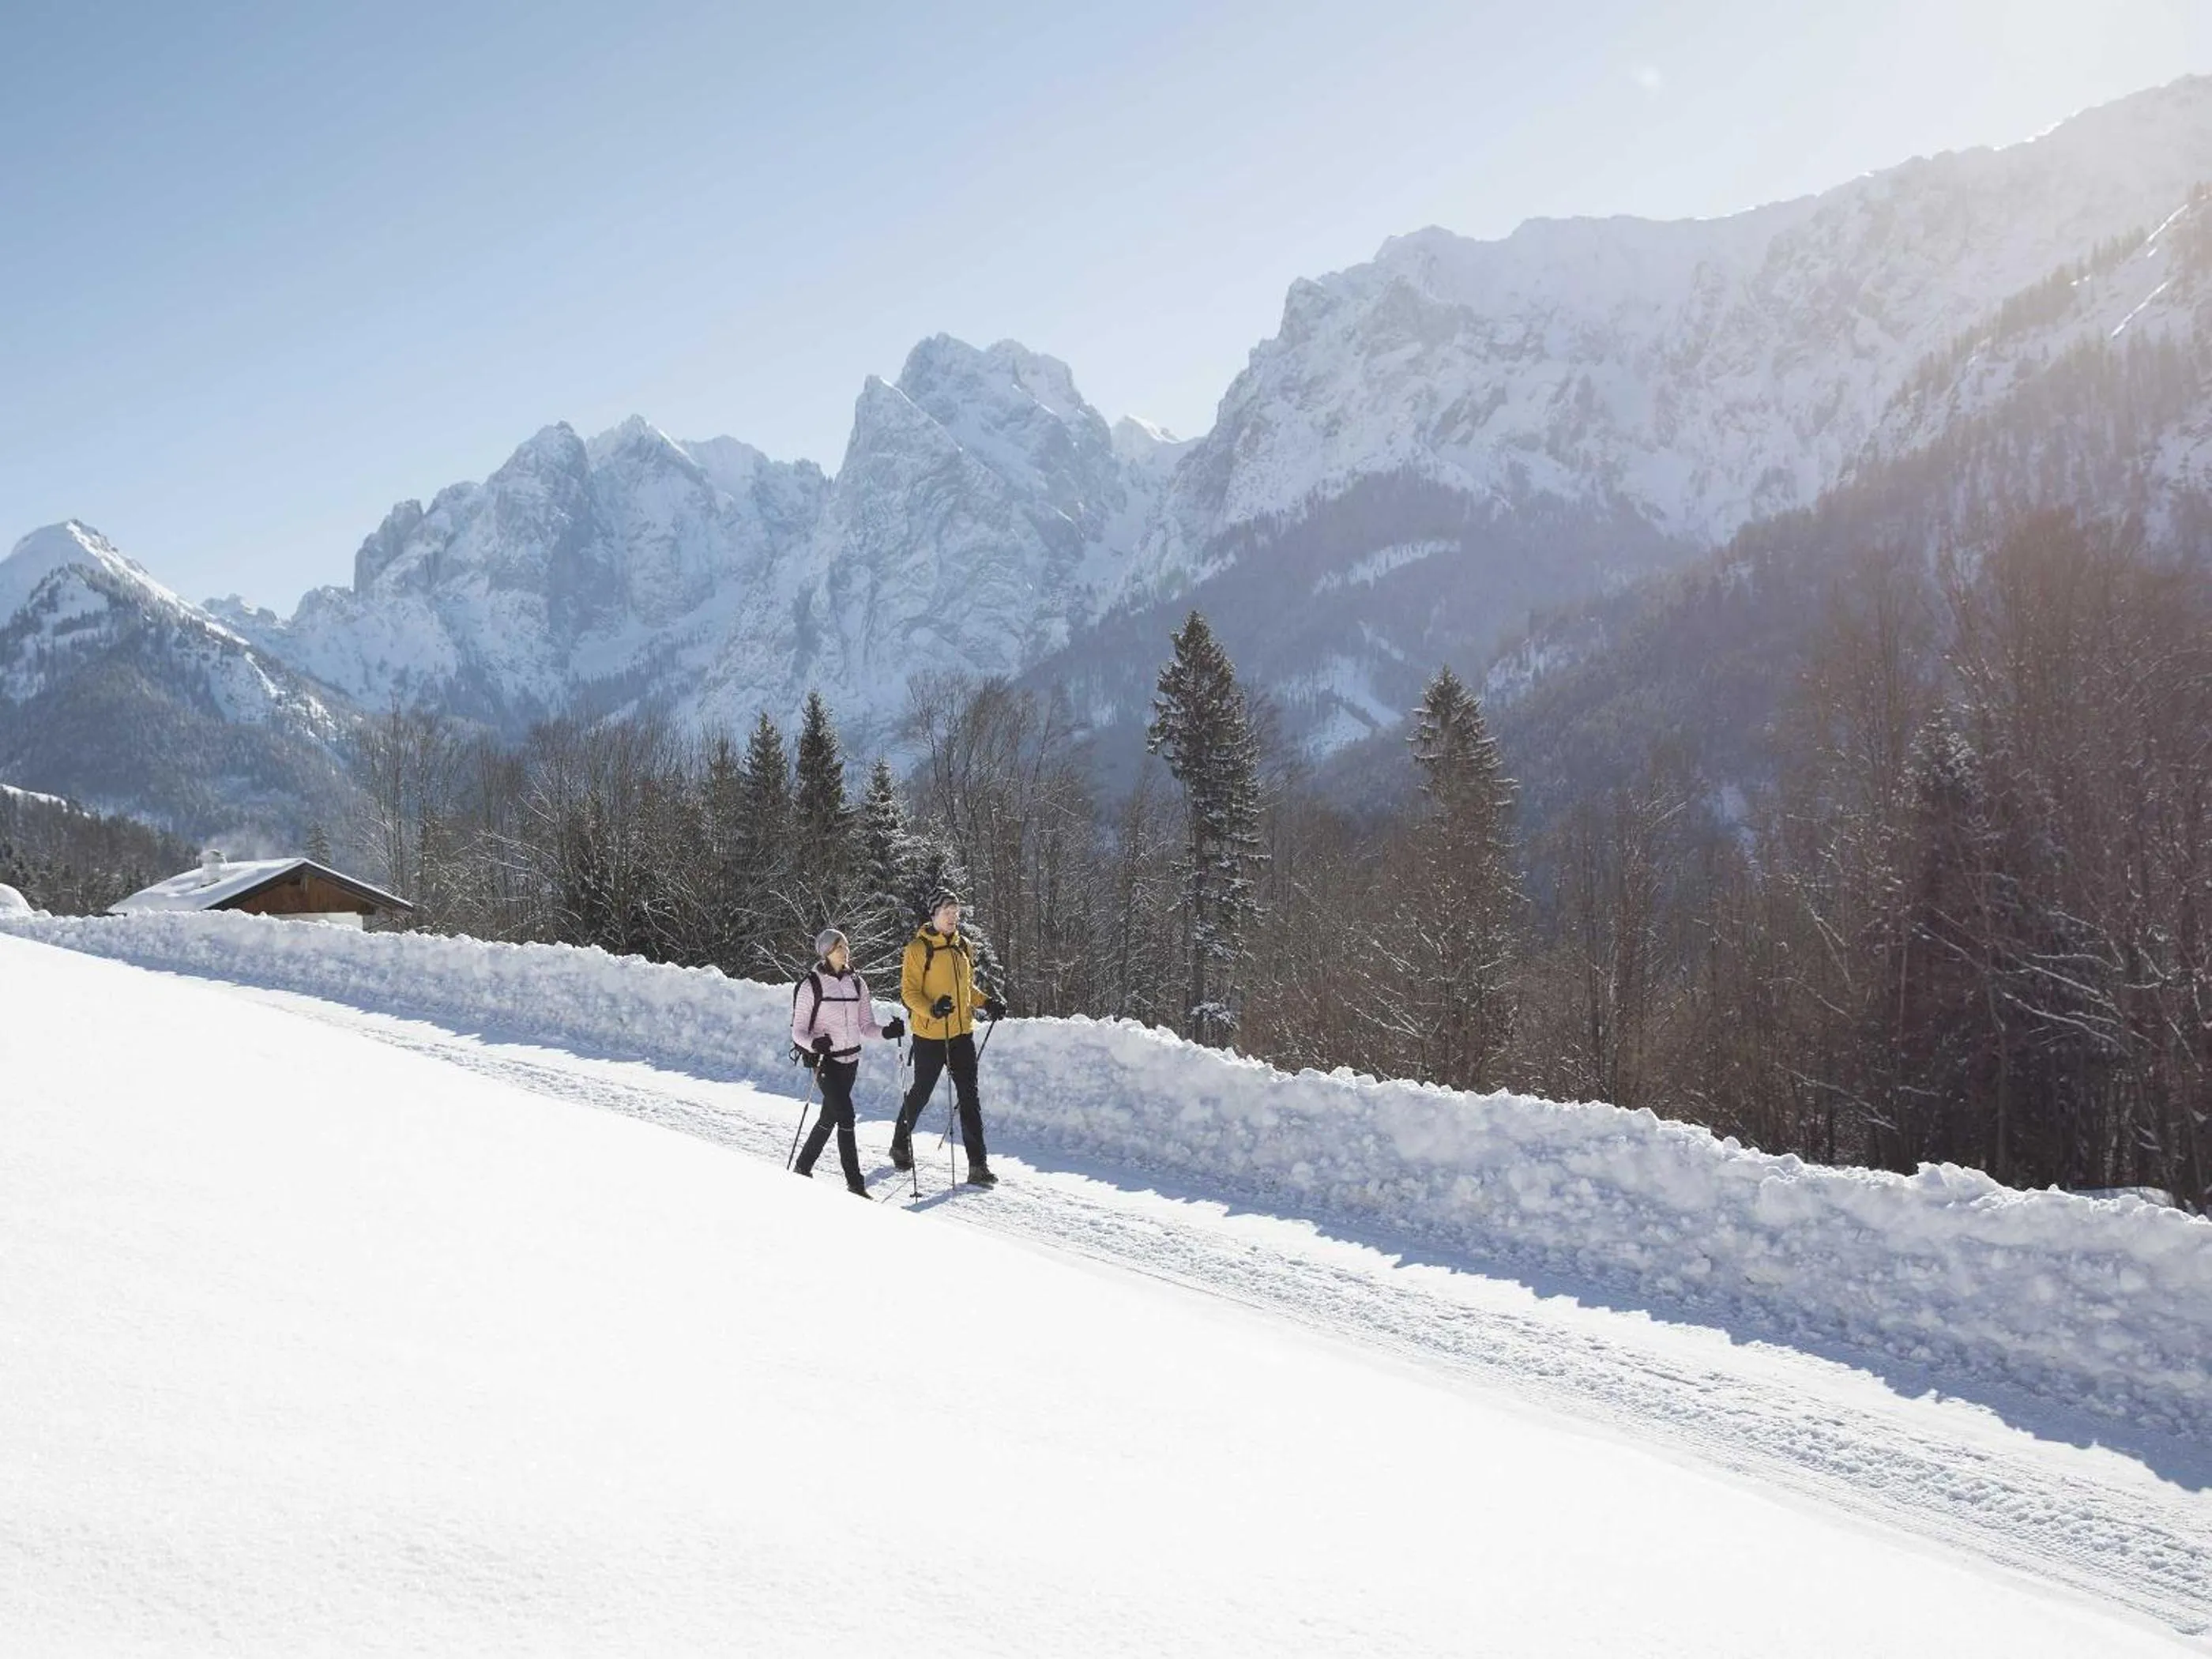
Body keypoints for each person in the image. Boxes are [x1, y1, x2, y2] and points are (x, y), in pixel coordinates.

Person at [891, 890, 1006, 1187]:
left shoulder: (964, 947)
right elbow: (909, 993)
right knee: (921, 1093)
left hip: (961, 1034)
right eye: (947, 911)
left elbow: (967, 989)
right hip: (929, 1035)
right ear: (933, 915)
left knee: (970, 1097)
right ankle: (900, 1144)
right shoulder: (918, 949)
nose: (954, 917)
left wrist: (987, 1003)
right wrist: (932, 1008)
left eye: (956, 911)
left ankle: (977, 1165)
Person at [790, 927, 905, 1195]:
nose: (846, 951)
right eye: (840, 947)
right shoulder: (811, 985)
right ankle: (855, 1183)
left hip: (851, 1061)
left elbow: (866, 1026)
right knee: (847, 1116)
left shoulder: (857, 983)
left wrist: (887, 1032)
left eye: (846, 946)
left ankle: (803, 1165)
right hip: (825, 1063)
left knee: (829, 1116)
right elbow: (798, 1031)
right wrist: (814, 1043)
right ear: (827, 952)